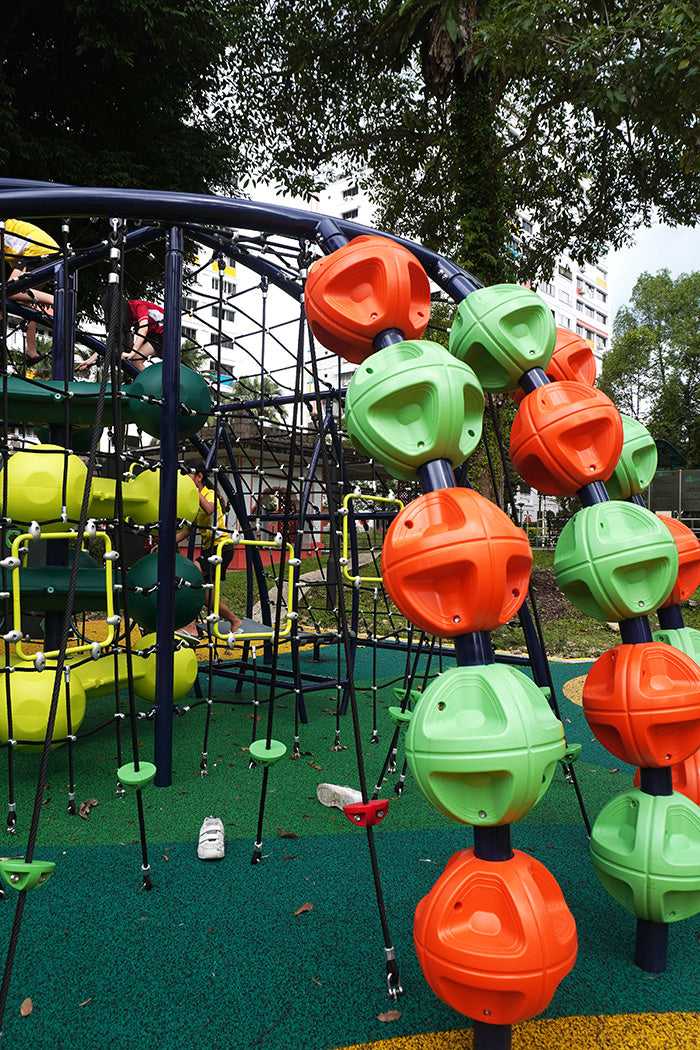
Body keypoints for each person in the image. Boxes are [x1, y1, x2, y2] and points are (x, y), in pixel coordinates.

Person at [176, 458, 241, 643]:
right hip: (209, 549)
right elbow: (189, 529)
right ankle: (235, 621)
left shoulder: (209, 494)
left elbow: (210, 509)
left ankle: (190, 627)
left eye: (188, 475)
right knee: (206, 598)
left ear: (199, 477)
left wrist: (195, 492)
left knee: (189, 576)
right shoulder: (196, 497)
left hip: (222, 547)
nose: (185, 479)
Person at [2, 218, 60, 361]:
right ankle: (32, 351)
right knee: (22, 300)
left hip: (37, 251)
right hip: (43, 251)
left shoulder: (4, 227)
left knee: (9, 290)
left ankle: (57, 300)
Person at [77, 293, 164, 372]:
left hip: (164, 332)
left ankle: (151, 388)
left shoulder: (137, 306)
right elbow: (111, 342)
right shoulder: (123, 318)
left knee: (136, 359)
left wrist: (132, 353)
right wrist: (89, 361)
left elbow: (143, 328)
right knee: (133, 361)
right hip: (153, 335)